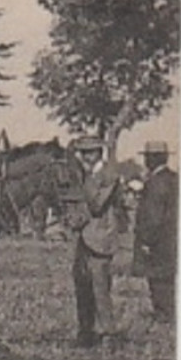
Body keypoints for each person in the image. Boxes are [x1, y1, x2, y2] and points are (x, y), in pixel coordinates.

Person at [63, 136, 125, 347]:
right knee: (82, 287)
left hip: (101, 239)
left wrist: (83, 181)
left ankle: (109, 334)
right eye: (82, 152)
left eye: (89, 152)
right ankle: (86, 333)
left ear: (99, 152)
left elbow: (97, 205)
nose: (85, 156)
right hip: (84, 238)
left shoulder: (108, 175)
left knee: (100, 289)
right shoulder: (87, 175)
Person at [132, 140, 178, 323]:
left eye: (148, 158)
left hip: (157, 241)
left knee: (157, 280)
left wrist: (145, 241)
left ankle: (163, 316)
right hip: (172, 238)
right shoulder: (174, 179)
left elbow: (153, 217)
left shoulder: (154, 183)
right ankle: (169, 314)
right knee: (168, 278)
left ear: (151, 159)